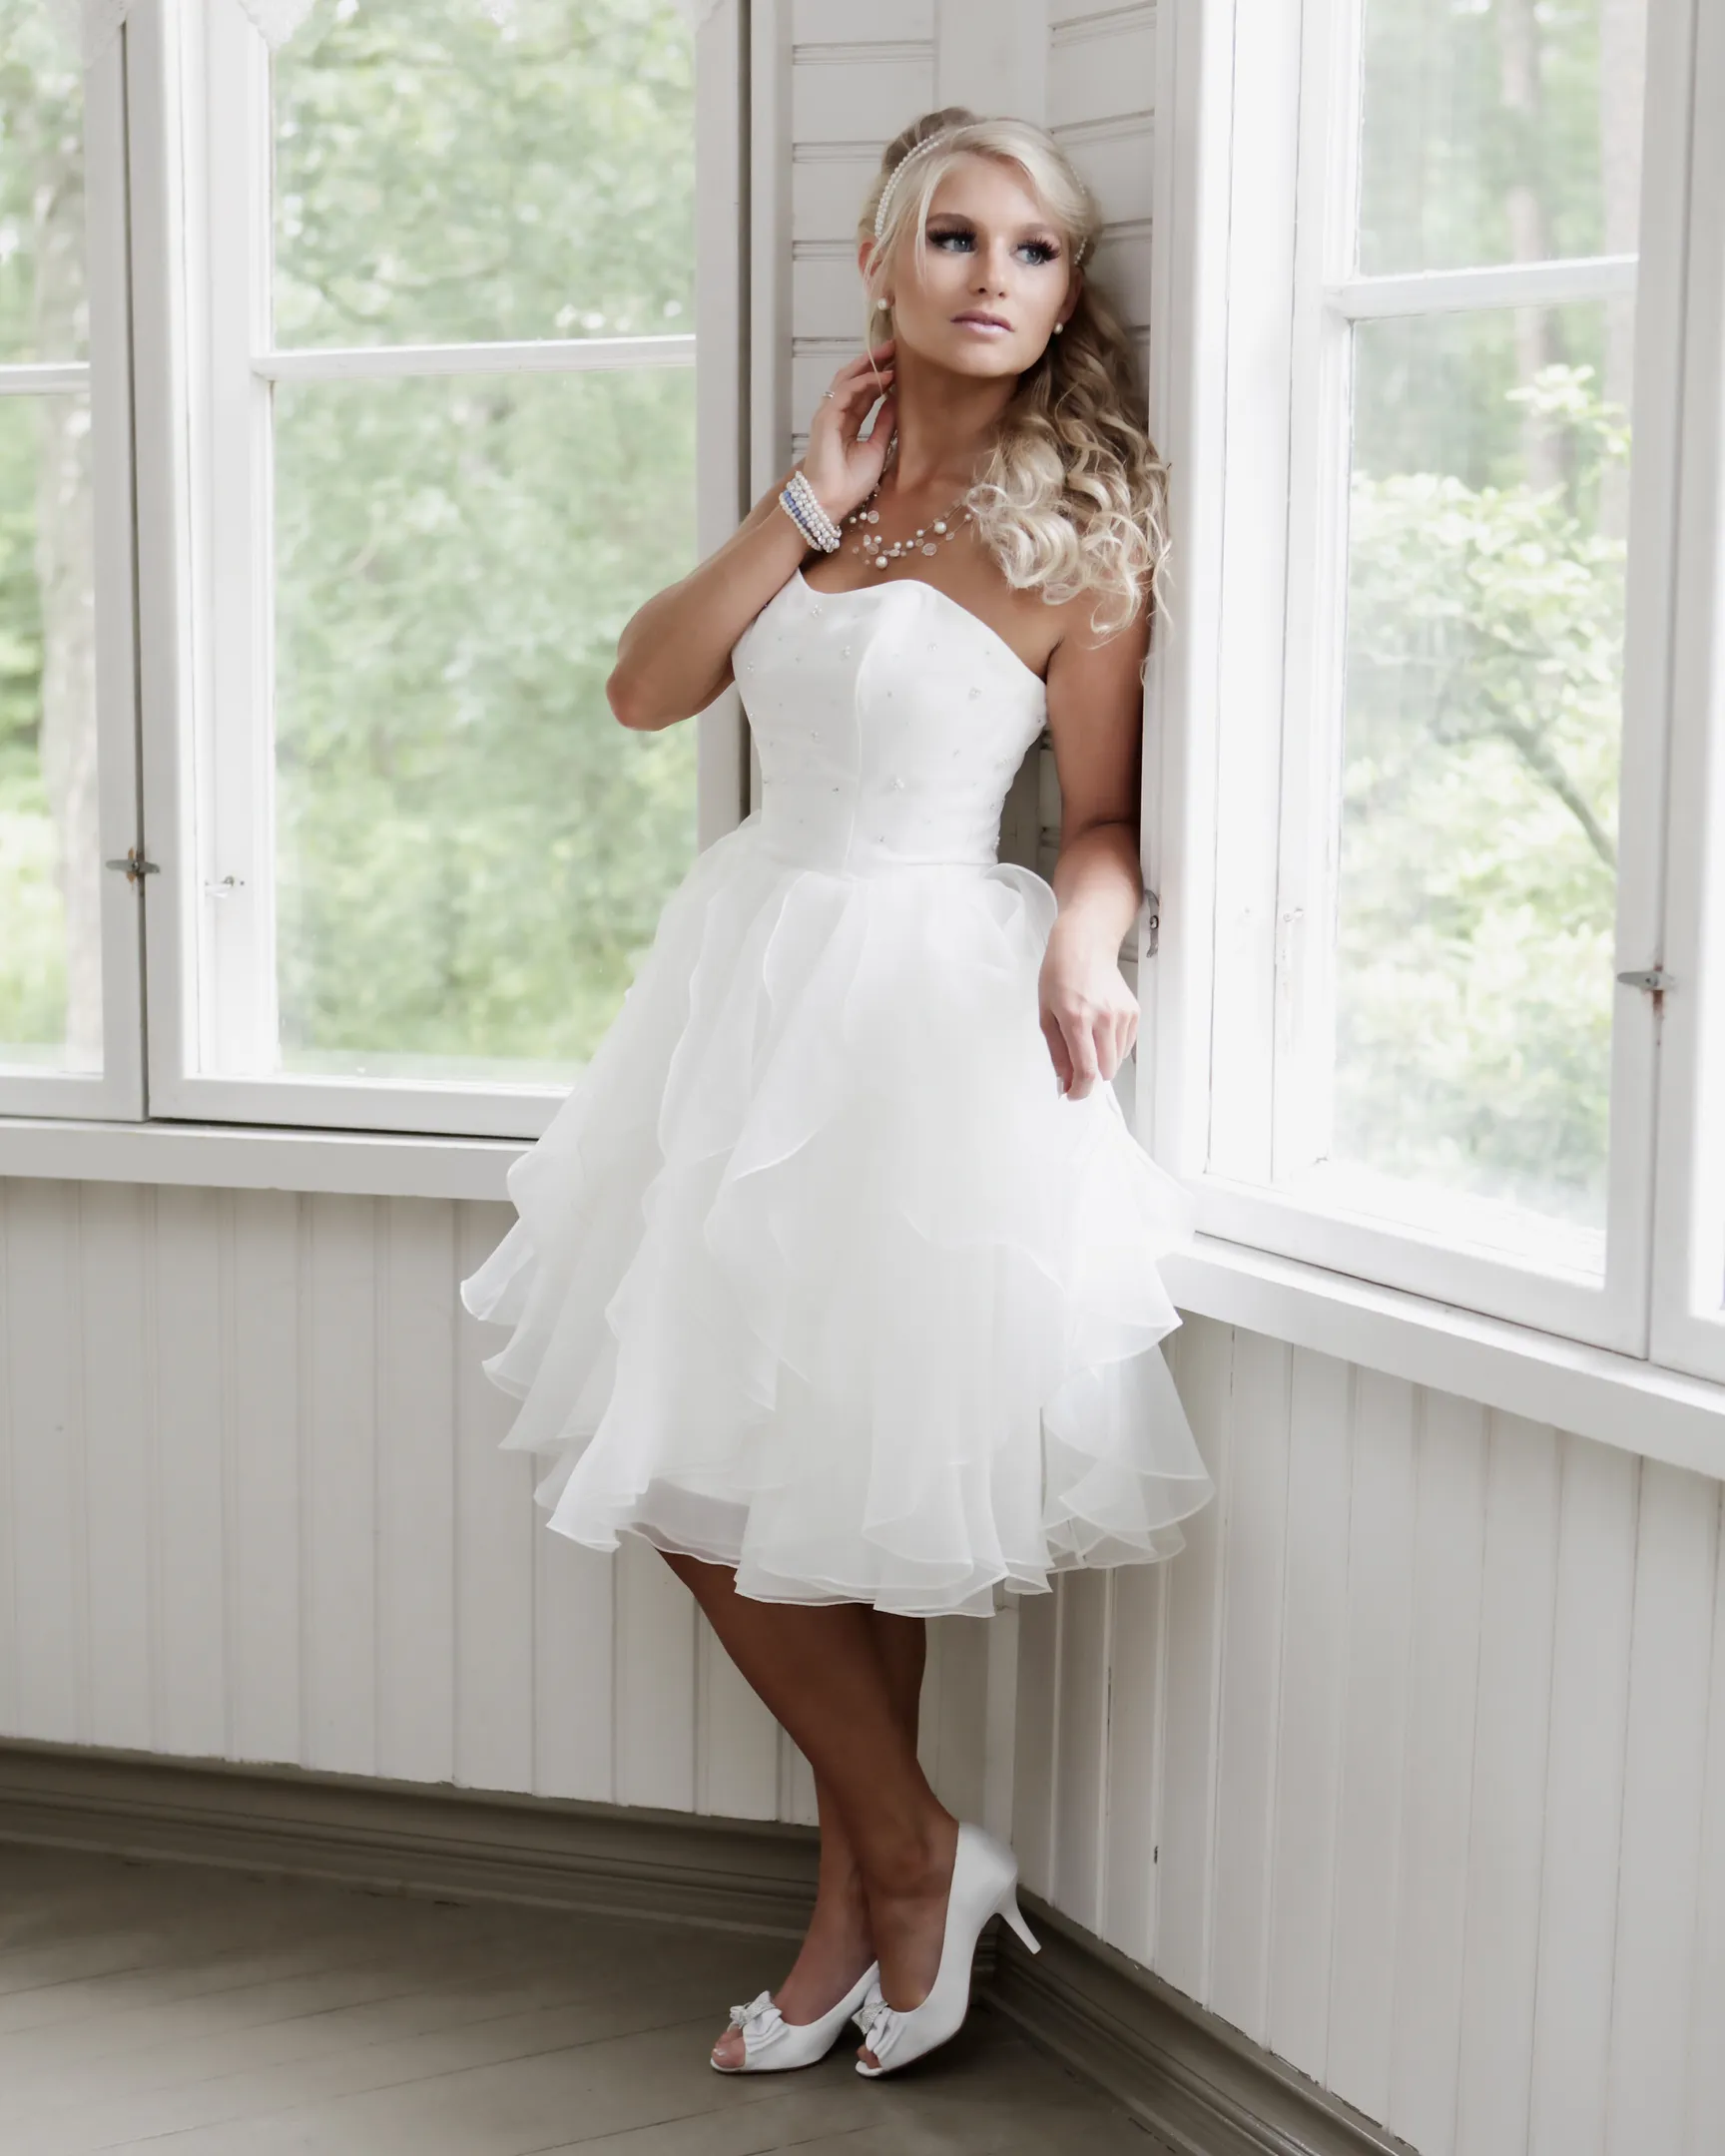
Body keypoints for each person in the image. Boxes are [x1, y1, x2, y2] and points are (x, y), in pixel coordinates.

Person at [460, 106, 1215, 2081]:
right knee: (724, 1458)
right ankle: (897, 1870)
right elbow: (644, 691)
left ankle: (884, 1886)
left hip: (927, 1011)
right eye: (953, 239)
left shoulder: (1083, 531)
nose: (992, 278)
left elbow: (1108, 814)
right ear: (882, 265)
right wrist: (803, 501)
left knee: (844, 1478)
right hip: (743, 984)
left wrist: (1088, 931)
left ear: (1066, 292)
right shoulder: (832, 498)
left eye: (1033, 250)